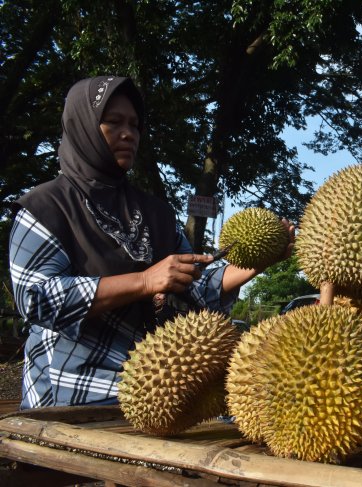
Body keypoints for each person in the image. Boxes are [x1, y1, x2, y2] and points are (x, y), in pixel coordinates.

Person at [8, 76, 294, 409]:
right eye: (113, 123)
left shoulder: (154, 213)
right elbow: (36, 299)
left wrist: (259, 263)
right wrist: (145, 280)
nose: (128, 134)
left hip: (150, 387)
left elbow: (196, 286)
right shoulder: (46, 207)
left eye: (134, 125)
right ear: (82, 127)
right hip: (69, 395)